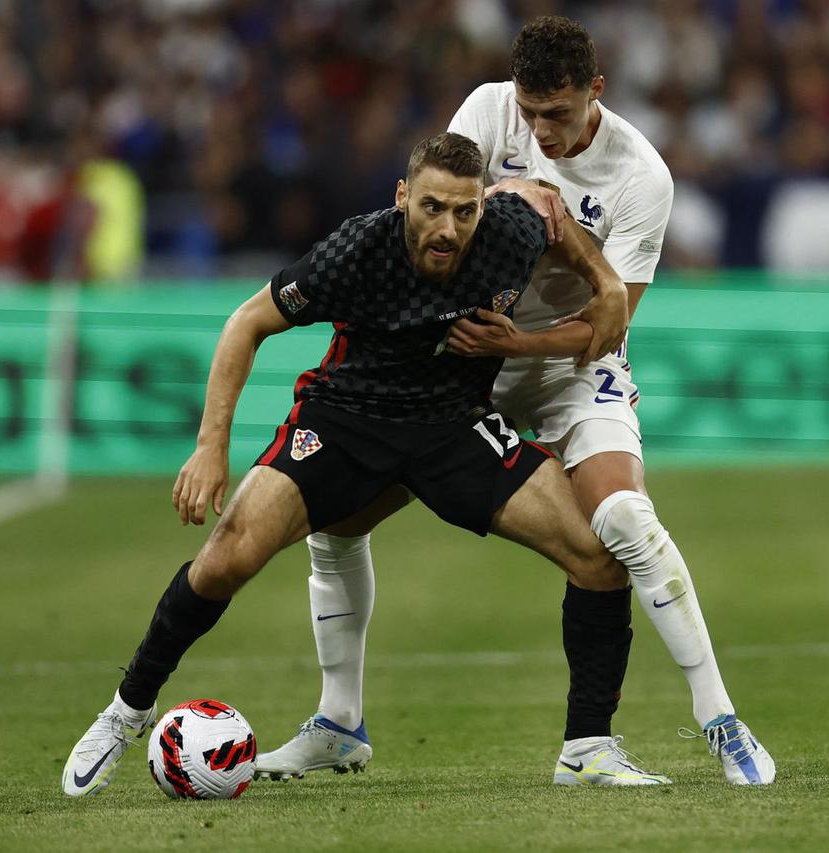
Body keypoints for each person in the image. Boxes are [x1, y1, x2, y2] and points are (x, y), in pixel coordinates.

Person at [256, 16, 775, 787]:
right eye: (530, 114)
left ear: (595, 90)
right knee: (334, 523)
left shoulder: (642, 176)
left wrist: (521, 339)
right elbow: (438, 219)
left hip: (566, 368)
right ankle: (339, 722)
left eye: (557, 115)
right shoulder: (487, 110)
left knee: (624, 519)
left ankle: (719, 719)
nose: (540, 131)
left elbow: (608, 324)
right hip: (467, 369)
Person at [61, 131, 643, 797]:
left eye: (463, 210)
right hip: (346, 419)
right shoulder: (357, 250)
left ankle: (588, 744)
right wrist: (209, 445)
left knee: (599, 556)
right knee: (225, 558)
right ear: (402, 198)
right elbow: (247, 322)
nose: (448, 228)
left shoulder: (508, 231)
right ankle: (126, 710)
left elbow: (557, 225)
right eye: (431, 208)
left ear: (483, 205)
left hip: (451, 424)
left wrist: (604, 284)